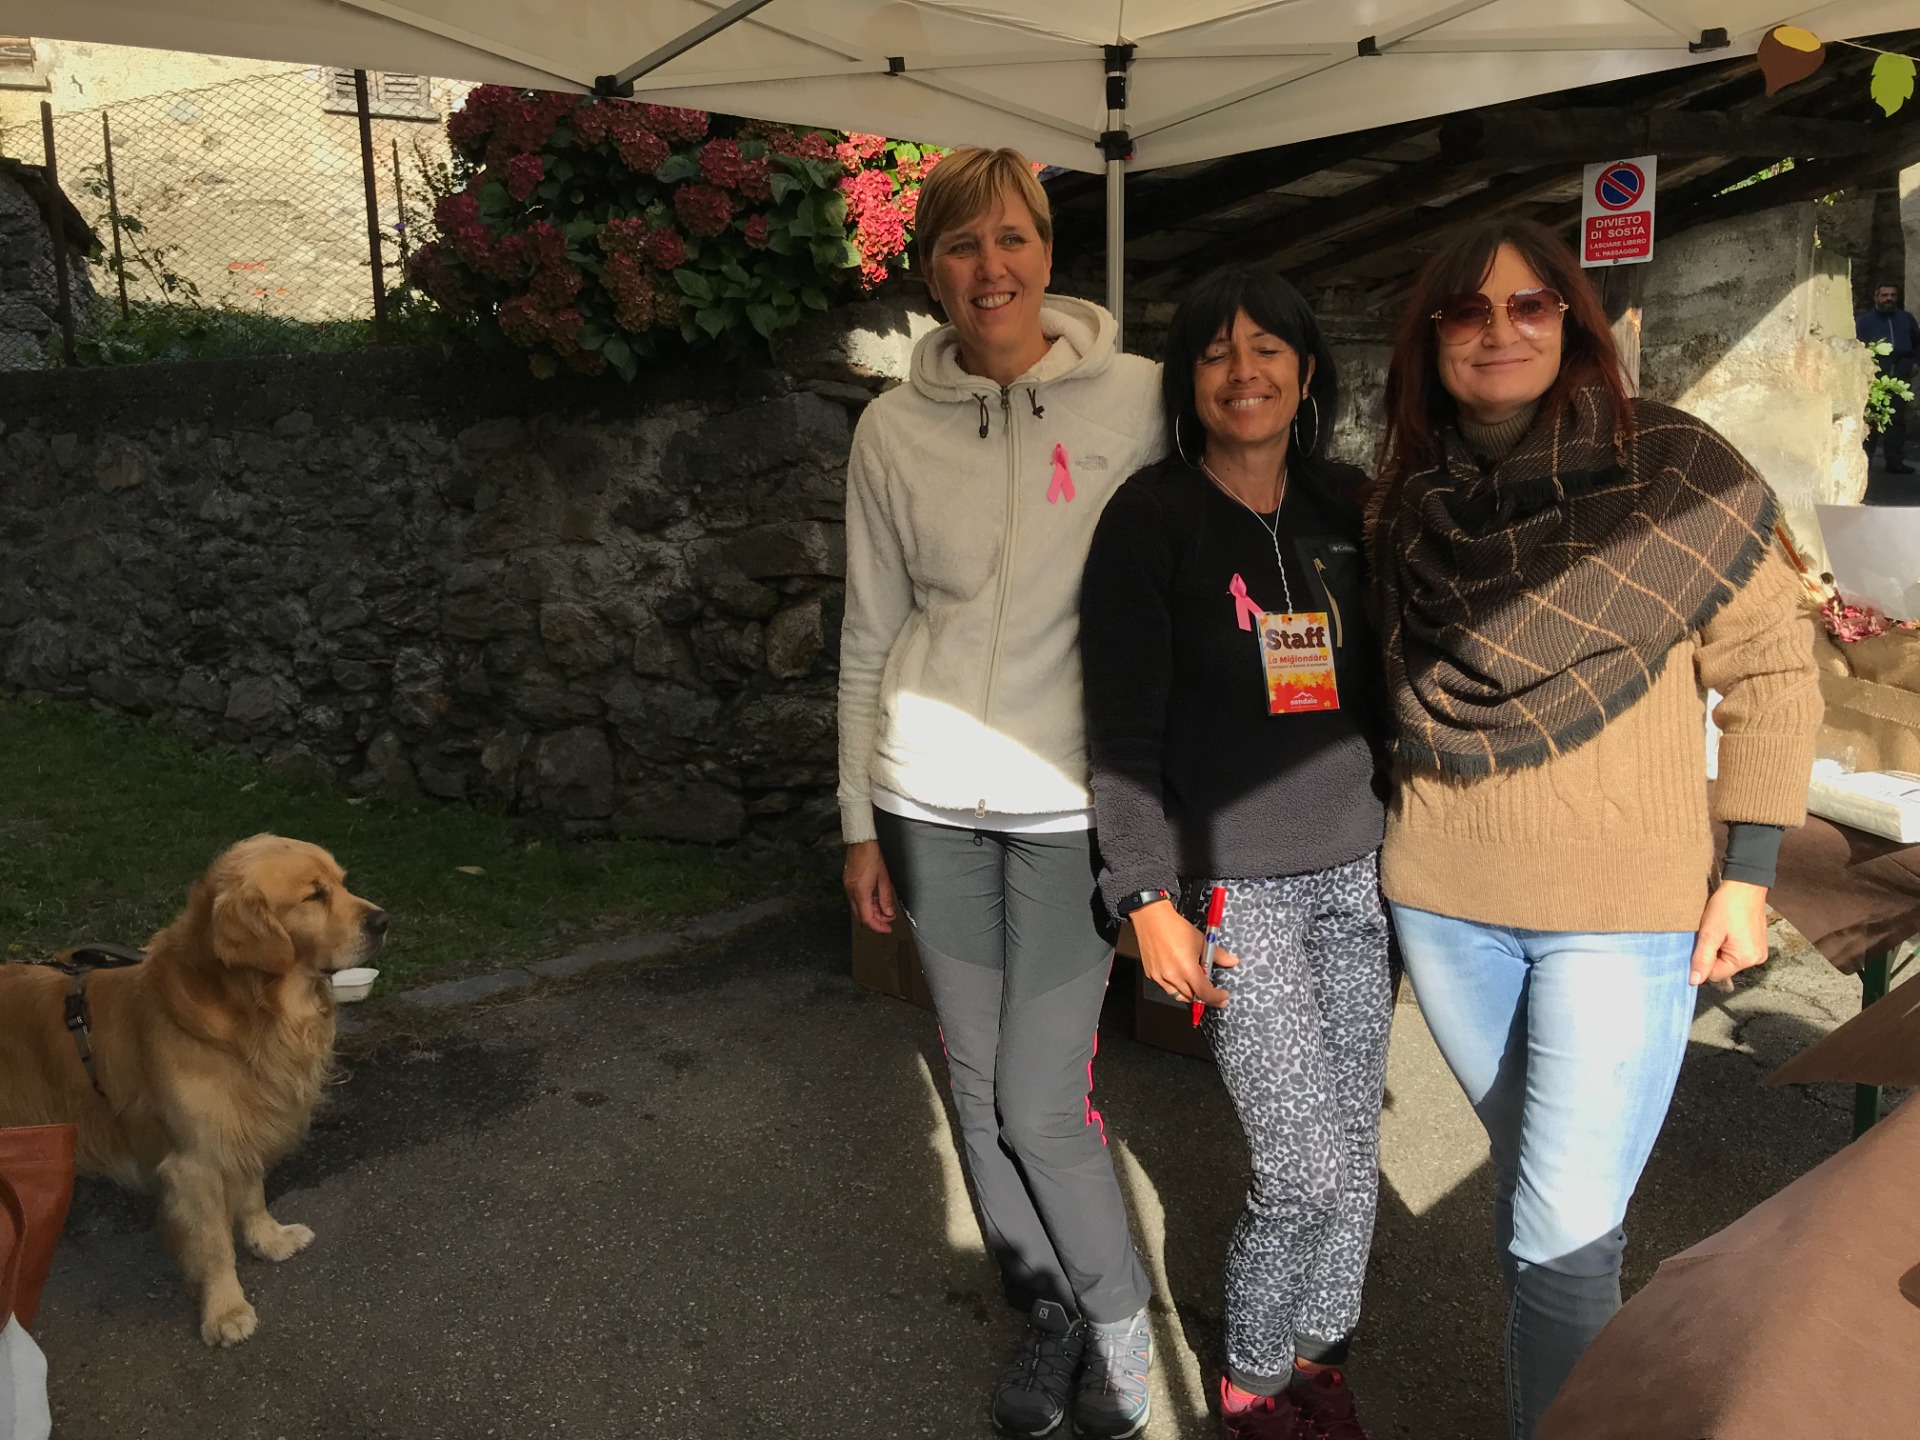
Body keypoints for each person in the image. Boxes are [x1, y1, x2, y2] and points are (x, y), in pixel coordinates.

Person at [1369, 219, 1821, 1440]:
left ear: (1571, 319)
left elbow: (1773, 672)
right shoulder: (1406, 494)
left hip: (1620, 913)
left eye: (1530, 305)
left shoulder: (1675, 469)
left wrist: (1748, 876)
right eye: (1468, 310)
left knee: (1565, 1240)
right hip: (1444, 899)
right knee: (1540, 1206)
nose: (1500, 330)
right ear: (1432, 337)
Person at [836, 145, 1165, 1440]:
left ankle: (1121, 1318)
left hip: (1071, 807)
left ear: (1048, 251)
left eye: (1012, 237)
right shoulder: (890, 429)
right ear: (932, 271)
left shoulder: (1140, 399)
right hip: (927, 805)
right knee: (975, 1088)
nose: (991, 267)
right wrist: (858, 819)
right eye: (962, 245)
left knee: (1039, 1097)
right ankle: (1049, 1309)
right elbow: (869, 631)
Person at [1082, 265, 1390, 1440]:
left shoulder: (1346, 508)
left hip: (1358, 876)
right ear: (1187, 381)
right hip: (1235, 891)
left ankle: (1321, 1362)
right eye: (1215, 351)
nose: (1243, 371)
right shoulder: (1151, 518)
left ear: (1307, 374)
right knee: (1302, 1167)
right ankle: (1255, 1382)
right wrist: (1145, 895)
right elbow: (1120, 728)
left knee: (1353, 1151)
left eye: (1267, 349)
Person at [1856, 279, 1918, 474]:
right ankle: (1865, 462)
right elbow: (1856, 346)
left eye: (1892, 295)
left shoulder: (1906, 319)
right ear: (1876, 297)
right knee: (1871, 421)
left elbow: (1918, 343)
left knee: (1897, 421)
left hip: (1899, 378)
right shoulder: (1864, 322)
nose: (1888, 299)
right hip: (1874, 380)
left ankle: (1895, 462)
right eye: (1885, 295)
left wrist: (1915, 363)